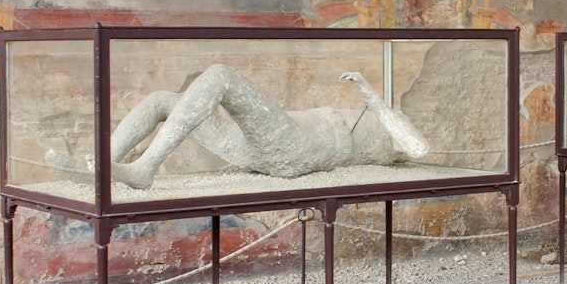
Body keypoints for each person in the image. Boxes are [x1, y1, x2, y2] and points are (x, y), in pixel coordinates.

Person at [47, 66, 429, 189]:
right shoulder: (375, 118)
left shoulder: (390, 125)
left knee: (221, 75)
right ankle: (106, 167)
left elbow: (418, 150)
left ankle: (144, 168)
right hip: (267, 144)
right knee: (165, 98)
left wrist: (371, 95)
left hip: (300, 150)